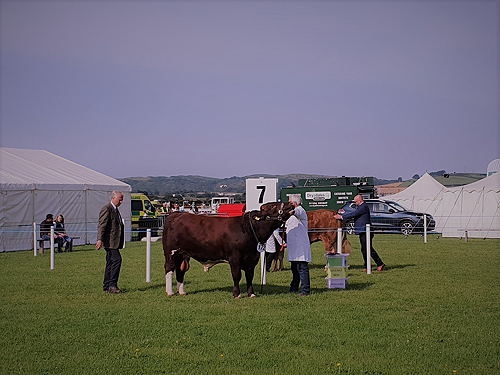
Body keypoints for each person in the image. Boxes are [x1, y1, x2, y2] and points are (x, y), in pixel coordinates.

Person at [334, 194, 386, 272]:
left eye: (356, 201)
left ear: (360, 200)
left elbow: (354, 214)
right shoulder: (360, 207)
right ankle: (367, 266)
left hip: (366, 231)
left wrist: (341, 217)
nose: (355, 203)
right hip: (363, 231)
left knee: (368, 248)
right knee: (364, 249)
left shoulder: (363, 207)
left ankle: (380, 263)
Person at [96, 191, 125, 294]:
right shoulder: (107, 208)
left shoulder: (115, 209)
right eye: (120, 199)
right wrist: (100, 239)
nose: (122, 201)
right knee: (117, 260)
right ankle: (112, 285)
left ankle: (107, 286)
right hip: (110, 242)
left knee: (110, 262)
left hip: (114, 242)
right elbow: (102, 225)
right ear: (114, 198)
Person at [286, 195, 311, 296]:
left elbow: (297, 212)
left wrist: (291, 212)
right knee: (294, 269)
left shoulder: (300, 210)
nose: (289, 204)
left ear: (294, 203)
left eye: (290, 202)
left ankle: (305, 290)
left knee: (302, 268)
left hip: (300, 246)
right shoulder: (291, 215)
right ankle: (294, 287)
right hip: (293, 246)